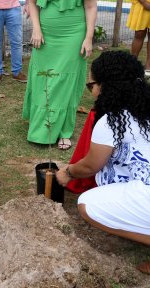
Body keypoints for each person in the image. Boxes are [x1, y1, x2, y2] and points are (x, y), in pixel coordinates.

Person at [56, 50, 150, 274]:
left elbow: (91, 165)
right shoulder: (143, 107)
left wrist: (67, 172)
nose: (91, 92)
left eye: (92, 85)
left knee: (88, 205)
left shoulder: (111, 120)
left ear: (106, 85)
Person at [22, 0, 98, 150]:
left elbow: (90, 6)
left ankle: (65, 130)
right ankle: (40, 127)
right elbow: (32, 3)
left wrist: (88, 37)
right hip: (44, 36)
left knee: (66, 81)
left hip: (73, 35)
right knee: (43, 78)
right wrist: (36, 28)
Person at [120, 0, 150, 76]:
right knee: (139, 34)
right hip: (143, 7)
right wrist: (144, 2)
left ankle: (148, 66)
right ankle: (132, 64)